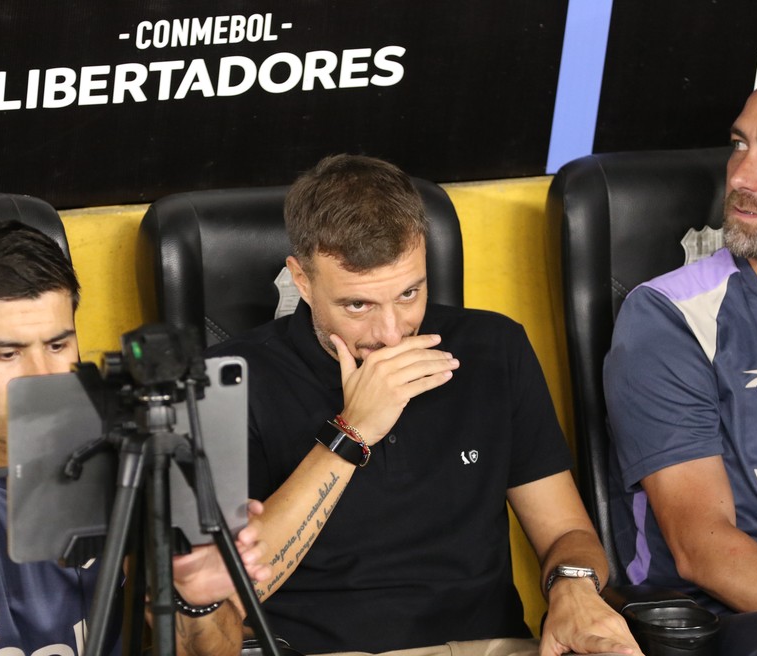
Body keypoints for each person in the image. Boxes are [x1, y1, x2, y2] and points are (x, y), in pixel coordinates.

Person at [208, 154, 642, 656]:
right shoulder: (230, 378)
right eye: (358, 305)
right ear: (302, 282)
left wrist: (573, 585)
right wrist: (350, 433)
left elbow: (566, 530)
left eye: (409, 293)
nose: (391, 334)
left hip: (487, 645)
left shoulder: (493, 347)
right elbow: (232, 590)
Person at [0, 221, 270, 656]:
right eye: (7, 353)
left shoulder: (136, 436)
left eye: (58, 346)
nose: (43, 377)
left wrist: (196, 598)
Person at [604, 47, 757, 655]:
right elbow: (702, 547)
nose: (741, 174)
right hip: (739, 621)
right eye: (740, 144)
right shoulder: (670, 315)